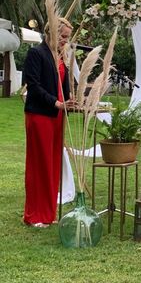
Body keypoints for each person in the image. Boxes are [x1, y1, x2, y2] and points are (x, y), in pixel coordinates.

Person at [22, 17, 74, 227]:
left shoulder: (61, 56)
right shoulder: (36, 53)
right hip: (40, 114)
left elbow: (64, 85)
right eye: (62, 36)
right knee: (39, 164)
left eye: (67, 38)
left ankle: (48, 212)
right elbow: (33, 86)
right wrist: (56, 103)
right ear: (50, 32)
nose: (65, 41)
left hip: (57, 116)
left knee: (53, 164)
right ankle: (34, 215)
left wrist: (70, 102)